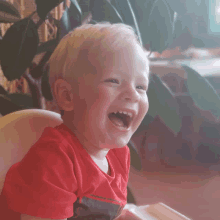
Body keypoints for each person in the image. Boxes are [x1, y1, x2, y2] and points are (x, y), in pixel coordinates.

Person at [0, 22, 149, 220]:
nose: (133, 94)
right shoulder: (55, 160)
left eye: (141, 86)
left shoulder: (119, 155)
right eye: (114, 80)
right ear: (67, 96)